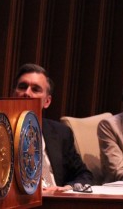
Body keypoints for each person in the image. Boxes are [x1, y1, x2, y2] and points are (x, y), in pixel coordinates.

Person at [12, 63, 93, 191]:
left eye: (35, 89)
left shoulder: (61, 133)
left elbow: (83, 175)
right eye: (22, 87)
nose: (27, 93)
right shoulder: (1, 131)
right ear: (14, 94)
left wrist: (66, 188)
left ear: (47, 101)